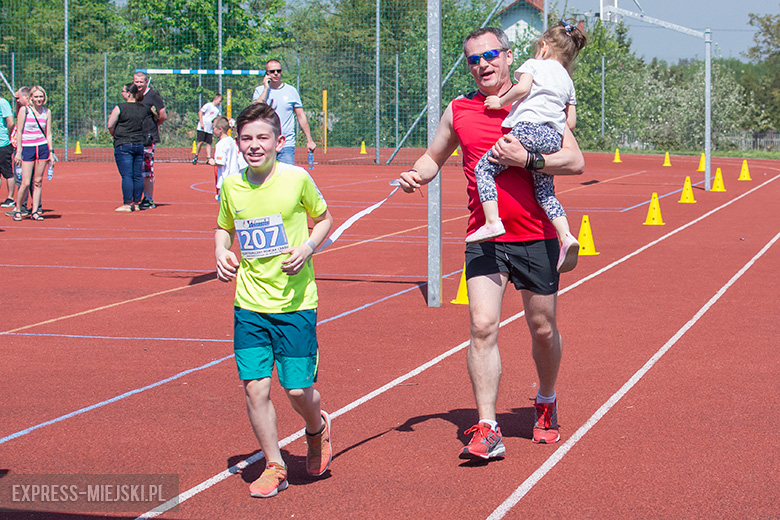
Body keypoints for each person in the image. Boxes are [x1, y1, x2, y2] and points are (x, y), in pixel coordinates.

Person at [398, 27, 585, 459]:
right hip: (485, 236)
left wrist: (530, 159)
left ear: (508, 56)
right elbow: (433, 157)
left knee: (542, 328)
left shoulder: (535, 98)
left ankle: (546, 399)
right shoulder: (459, 109)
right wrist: (417, 174)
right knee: (482, 326)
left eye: (490, 55)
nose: (483, 64)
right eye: (473, 59)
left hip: (535, 235)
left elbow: (575, 160)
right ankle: (487, 425)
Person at [214, 102, 334, 498]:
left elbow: (325, 219)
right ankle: (274, 464)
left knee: (298, 390)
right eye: (246, 138)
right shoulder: (231, 186)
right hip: (249, 303)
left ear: (279, 142)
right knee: (255, 388)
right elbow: (223, 227)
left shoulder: (297, 179)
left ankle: (316, 429)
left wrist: (308, 247)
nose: (254, 145)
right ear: (238, 142)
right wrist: (221, 251)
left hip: (295, 303)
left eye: (262, 137)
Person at [467, 21, 586, 275]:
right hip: (553, 137)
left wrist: (500, 102)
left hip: (528, 130)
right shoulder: (567, 80)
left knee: (483, 169)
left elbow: (522, 88)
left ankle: (491, 221)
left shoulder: (534, 64)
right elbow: (571, 123)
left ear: (543, 46)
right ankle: (566, 235)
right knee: (545, 193)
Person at [251, 60, 316, 165]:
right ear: (267, 73)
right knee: (264, 178)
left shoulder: (291, 91)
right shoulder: (260, 90)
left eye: (279, 71)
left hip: (286, 143)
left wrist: (309, 140)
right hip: (265, 143)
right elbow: (255, 108)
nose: (276, 73)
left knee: (287, 177)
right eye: (272, 71)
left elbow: (301, 116)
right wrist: (266, 89)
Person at [107, 83, 158, 212]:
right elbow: (156, 116)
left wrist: (115, 134)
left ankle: (127, 203)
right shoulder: (143, 108)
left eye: (123, 91)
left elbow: (110, 125)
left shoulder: (120, 107)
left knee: (127, 175)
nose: (122, 93)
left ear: (129, 93)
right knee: (137, 175)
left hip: (123, 144)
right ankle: (136, 202)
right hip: (139, 144)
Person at [13, 85, 52, 221]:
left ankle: (35, 211)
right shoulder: (25, 110)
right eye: (36, 96)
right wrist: (19, 151)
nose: (39, 99)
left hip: (41, 147)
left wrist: (50, 151)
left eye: (41, 96)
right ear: (31, 98)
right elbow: (19, 131)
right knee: (25, 182)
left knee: (38, 181)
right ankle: (18, 209)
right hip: (27, 147)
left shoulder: (47, 112)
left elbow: (48, 133)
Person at [132, 71, 167, 209]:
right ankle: (135, 198)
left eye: (141, 82)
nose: (139, 85)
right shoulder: (133, 94)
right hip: (134, 136)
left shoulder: (153, 95)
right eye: (136, 82)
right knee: (135, 169)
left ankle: (149, 198)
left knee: (147, 169)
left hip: (148, 137)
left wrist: (153, 126)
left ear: (146, 82)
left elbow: (162, 114)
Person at [206, 115, 243, 200]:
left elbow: (220, 162)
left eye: (214, 128)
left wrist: (212, 162)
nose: (213, 130)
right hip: (235, 177)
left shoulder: (221, 144)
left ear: (220, 129)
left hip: (225, 179)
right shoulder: (231, 140)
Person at [192, 93, 222, 164]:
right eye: (219, 101)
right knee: (201, 142)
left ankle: (208, 158)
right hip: (202, 127)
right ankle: (196, 156)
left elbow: (219, 117)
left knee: (209, 143)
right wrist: (201, 123)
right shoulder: (208, 105)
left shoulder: (218, 109)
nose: (220, 103)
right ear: (216, 99)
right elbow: (200, 112)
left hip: (210, 128)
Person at [0, 92, 14, 207]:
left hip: (3, 144)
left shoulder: (3, 103)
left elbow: (10, 122)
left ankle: (10, 198)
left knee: (7, 172)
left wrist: (9, 137)